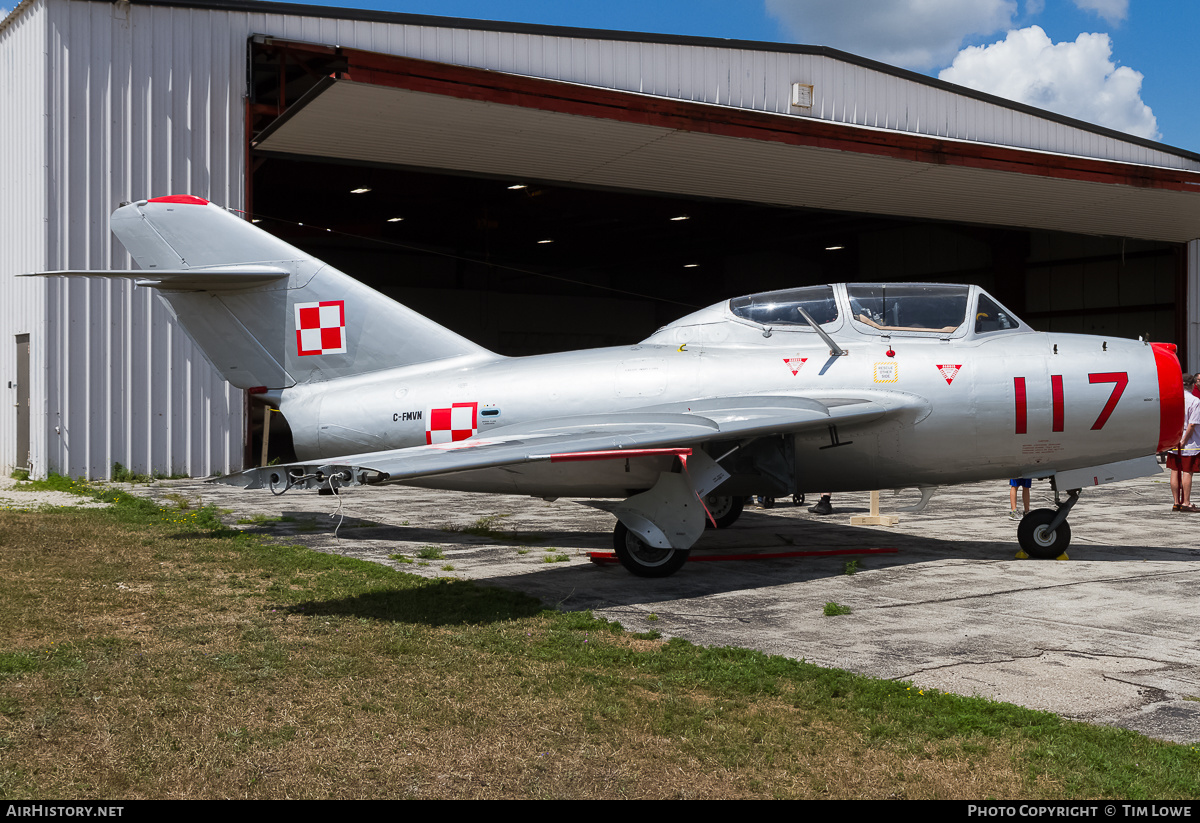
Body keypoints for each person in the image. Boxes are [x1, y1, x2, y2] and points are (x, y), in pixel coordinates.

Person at [1169, 373, 1200, 512]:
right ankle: (1186, 502)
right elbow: (1192, 424)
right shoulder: (1194, 401)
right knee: (1187, 472)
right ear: (1192, 385)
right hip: (1189, 443)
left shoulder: (1173, 399)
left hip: (1174, 440)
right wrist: (1183, 441)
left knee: (1175, 471)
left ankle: (1176, 502)